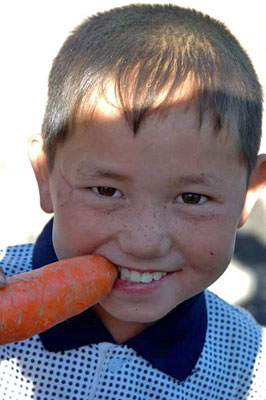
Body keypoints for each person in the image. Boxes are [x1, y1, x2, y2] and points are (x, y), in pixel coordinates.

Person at [1, 3, 266, 399]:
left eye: (192, 198)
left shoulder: (250, 367)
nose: (144, 242)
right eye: (106, 190)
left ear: (248, 193)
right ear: (45, 176)